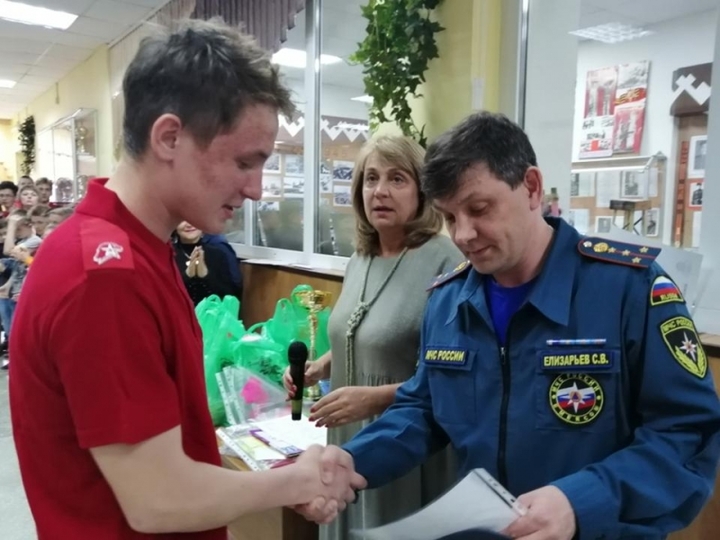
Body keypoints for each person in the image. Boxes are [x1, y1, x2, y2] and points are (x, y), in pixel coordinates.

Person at [9, 19, 364, 540]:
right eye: (244, 162)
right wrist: (296, 481)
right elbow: (158, 501)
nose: (257, 189)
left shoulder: (143, 249)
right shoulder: (104, 276)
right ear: (169, 137)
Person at [295, 112, 720, 540]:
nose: (464, 234)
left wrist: (580, 502)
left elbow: (687, 434)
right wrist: (354, 461)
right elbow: (425, 410)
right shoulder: (448, 300)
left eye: (479, 209)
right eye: (449, 217)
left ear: (531, 187)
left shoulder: (629, 289)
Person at [283, 136, 464, 537]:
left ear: (422, 191)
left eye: (397, 179)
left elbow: (455, 377)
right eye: (371, 178)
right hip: (345, 432)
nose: (380, 191)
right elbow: (364, 331)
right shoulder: (359, 258)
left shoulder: (447, 262)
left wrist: (377, 397)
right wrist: (319, 368)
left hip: (404, 438)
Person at [173, 221, 242, 306]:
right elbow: (165, 296)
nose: (189, 224)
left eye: (194, 219)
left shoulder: (218, 254)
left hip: (211, 313)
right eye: (183, 220)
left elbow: (228, 296)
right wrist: (187, 275)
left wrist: (205, 276)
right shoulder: (168, 254)